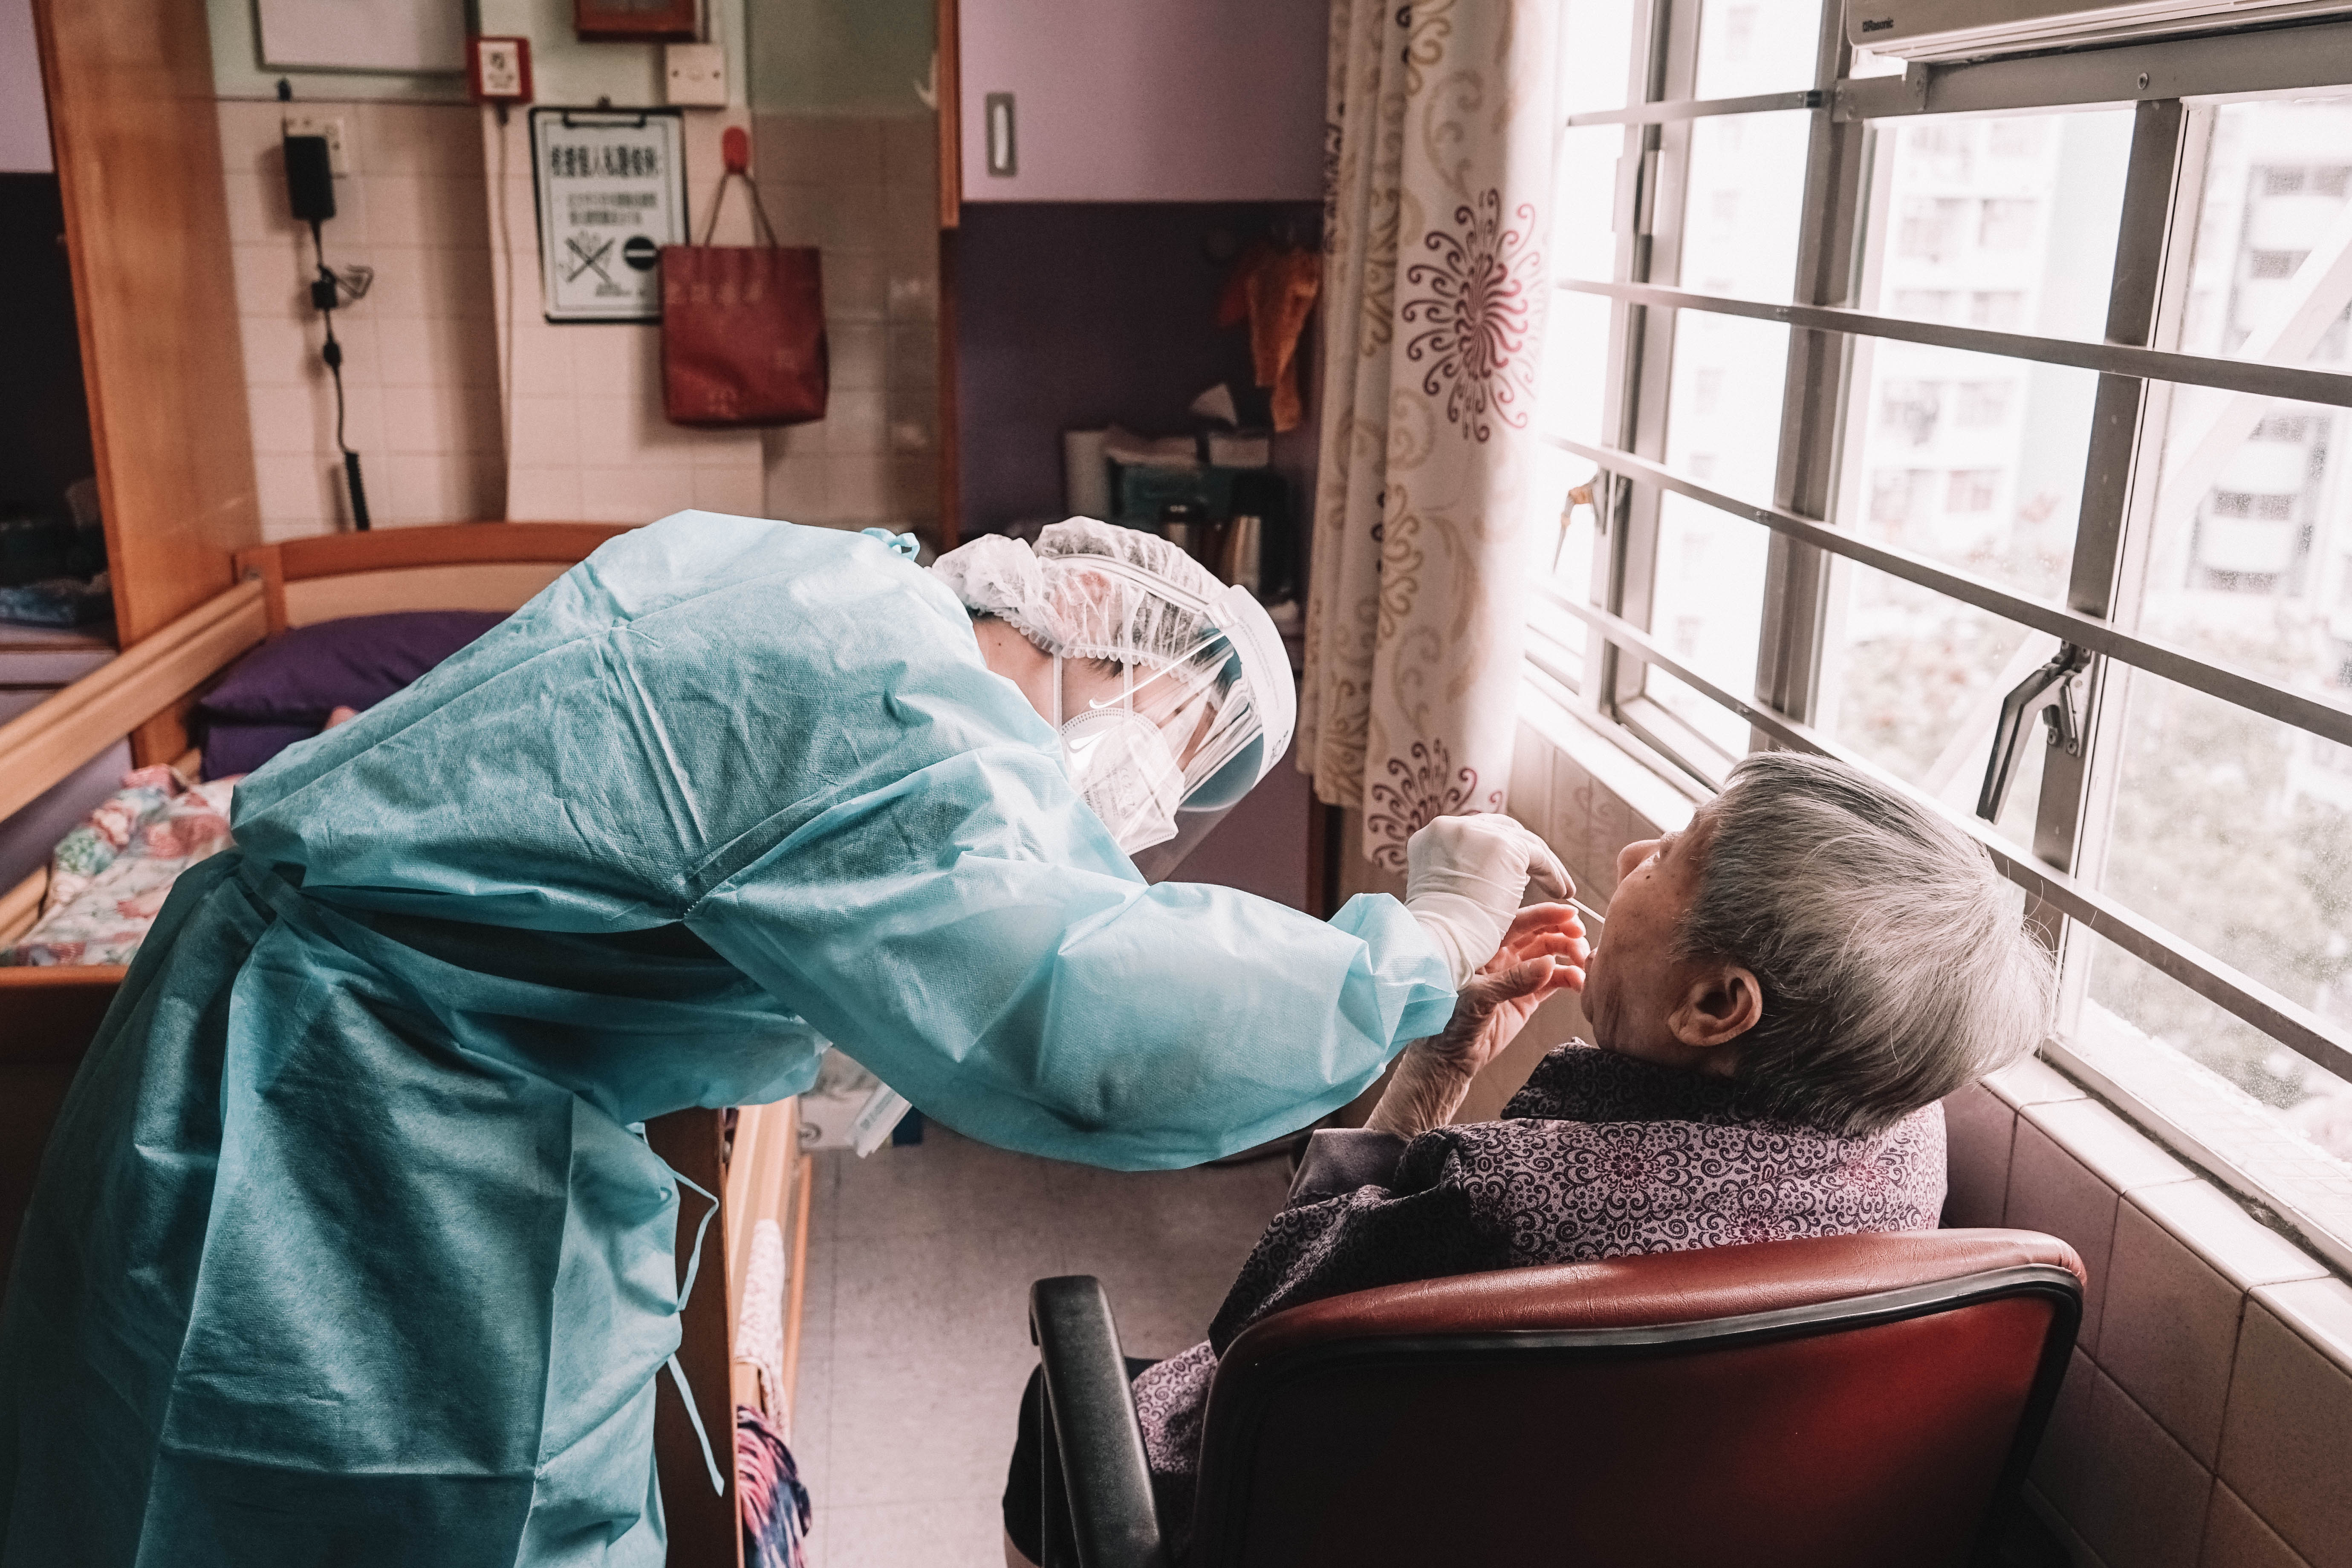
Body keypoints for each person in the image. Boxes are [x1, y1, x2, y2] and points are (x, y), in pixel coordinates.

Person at [0, 511, 1579, 1568]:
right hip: (347, 1123)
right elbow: (1081, 1019)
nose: (1147, 798)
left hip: (332, 1067)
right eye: (1173, 737)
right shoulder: (877, 687)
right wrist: (1413, 950)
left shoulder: (805, 582)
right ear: (1087, 601)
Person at [1002, 751, 2057, 1566]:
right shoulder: (1907, 1144)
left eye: (1672, 851)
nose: (1630, 858)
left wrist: (1436, 1067)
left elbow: (1258, 1330)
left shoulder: (1498, 1198)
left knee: (1060, 1414)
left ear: (1714, 1006)